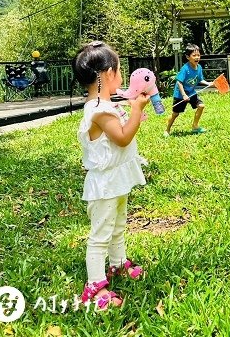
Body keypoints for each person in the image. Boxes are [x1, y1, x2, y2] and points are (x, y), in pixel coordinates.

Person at [72, 40, 150, 310]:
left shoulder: (104, 104)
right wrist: (137, 111)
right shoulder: (99, 110)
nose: (121, 76)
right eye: (119, 71)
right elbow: (123, 139)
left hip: (116, 180)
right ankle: (94, 285)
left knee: (118, 226)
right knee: (101, 234)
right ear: (107, 74)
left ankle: (117, 264)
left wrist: (133, 114)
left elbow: (121, 131)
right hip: (104, 184)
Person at [164, 43, 213, 137]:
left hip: (191, 93)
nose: (197, 57)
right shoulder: (185, 69)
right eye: (194, 55)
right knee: (175, 114)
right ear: (187, 57)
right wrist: (183, 95)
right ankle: (167, 129)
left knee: (201, 106)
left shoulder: (199, 68)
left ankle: (195, 126)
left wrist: (209, 83)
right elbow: (179, 82)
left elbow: (200, 79)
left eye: (198, 55)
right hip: (180, 94)